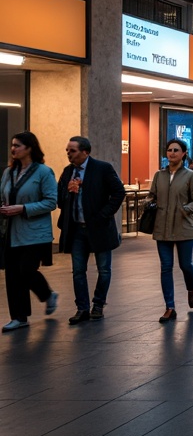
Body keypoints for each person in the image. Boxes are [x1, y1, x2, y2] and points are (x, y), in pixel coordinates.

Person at [56, 136, 125, 324]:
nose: (69, 154)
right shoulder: (68, 172)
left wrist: (104, 214)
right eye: (67, 151)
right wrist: (67, 192)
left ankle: (98, 304)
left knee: (104, 269)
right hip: (77, 229)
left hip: (99, 227)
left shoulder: (102, 168)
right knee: (78, 271)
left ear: (85, 152)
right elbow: (59, 198)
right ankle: (82, 308)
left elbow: (119, 193)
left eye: (73, 150)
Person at [1, 132, 59, 333]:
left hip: (35, 233)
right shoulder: (8, 173)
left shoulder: (44, 172)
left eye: (17, 145)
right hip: (12, 232)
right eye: (12, 145)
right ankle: (19, 317)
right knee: (12, 275)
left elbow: (51, 202)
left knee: (26, 270)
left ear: (29, 148)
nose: (13, 149)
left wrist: (22, 209)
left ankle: (47, 295)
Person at [149, 138, 193, 323]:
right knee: (166, 267)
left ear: (184, 154)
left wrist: (185, 209)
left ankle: (191, 288)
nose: (172, 153)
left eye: (176, 150)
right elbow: (152, 195)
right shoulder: (159, 175)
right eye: (169, 150)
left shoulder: (190, 176)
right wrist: (150, 203)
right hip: (162, 228)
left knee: (185, 265)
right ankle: (169, 307)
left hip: (183, 227)